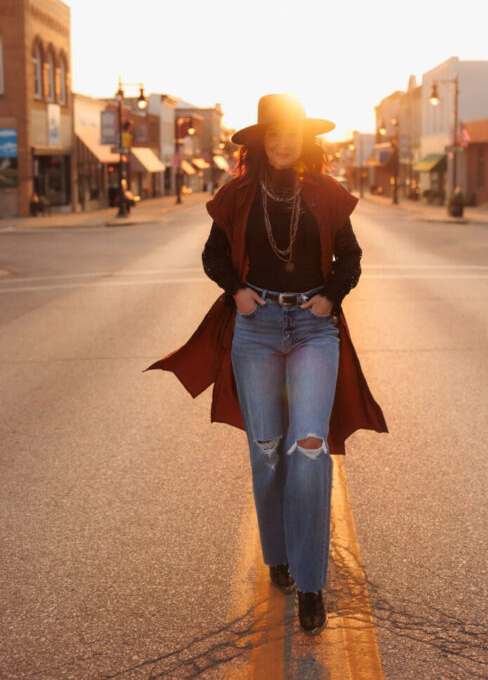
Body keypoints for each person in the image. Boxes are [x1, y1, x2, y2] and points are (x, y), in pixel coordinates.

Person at [145, 94, 387, 637]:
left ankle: (310, 582)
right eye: (273, 133)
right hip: (255, 330)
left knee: (308, 446)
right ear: (260, 142)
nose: (282, 142)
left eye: (292, 132)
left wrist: (329, 298)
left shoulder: (326, 194)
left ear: (305, 140)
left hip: (312, 330)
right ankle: (276, 553)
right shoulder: (236, 194)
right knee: (267, 450)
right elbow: (213, 255)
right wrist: (237, 291)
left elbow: (350, 258)